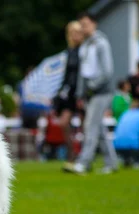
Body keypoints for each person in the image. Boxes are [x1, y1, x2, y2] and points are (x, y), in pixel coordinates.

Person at [63, 12, 118, 175]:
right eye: (81, 24)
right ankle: (112, 162)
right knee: (98, 128)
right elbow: (83, 73)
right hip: (89, 93)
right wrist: (81, 94)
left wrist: (91, 87)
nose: (83, 27)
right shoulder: (85, 45)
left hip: (101, 92)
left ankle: (83, 163)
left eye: (86, 24)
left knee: (90, 126)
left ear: (94, 24)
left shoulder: (101, 43)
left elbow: (107, 71)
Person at [53, 21, 84, 163]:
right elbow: (66, 75)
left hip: (82, 92)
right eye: (72, 33)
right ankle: (71, 153)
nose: (74, 36)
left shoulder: (85, 51)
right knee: (63, 123)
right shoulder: (69, 52)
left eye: (77, 32)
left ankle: (84, 155)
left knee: (86, 125)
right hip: (70, 93)